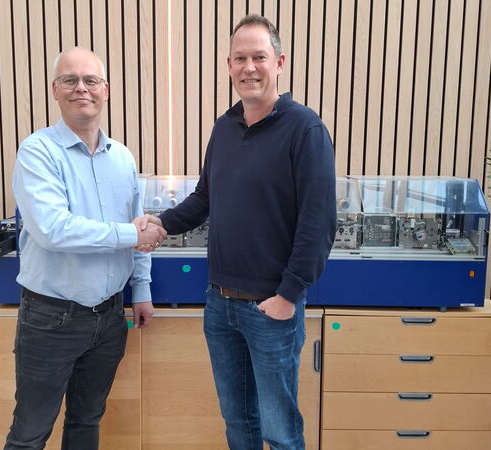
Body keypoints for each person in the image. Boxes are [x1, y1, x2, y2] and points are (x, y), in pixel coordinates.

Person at [144, 14, 336, 450]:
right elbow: (205, 197)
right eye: (240, 58)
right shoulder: (224, 127)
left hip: (271, 308)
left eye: (259, 57)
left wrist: (288, 296)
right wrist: (161, 223)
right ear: (229, 65)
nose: (249, 67)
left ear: (279, 63)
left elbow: (319, 224)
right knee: (238, 422)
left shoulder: (305, 129)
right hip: (219, 305)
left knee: (279, 432)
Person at [4, 47, 166, 450]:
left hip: (110, 317)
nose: (82, 88)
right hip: (50, 319)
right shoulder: (37, 151)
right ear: (55, 90)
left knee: (86, 422)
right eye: (70, 80)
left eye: (91, 80)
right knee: (30, 433)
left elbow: (137, 226)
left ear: (105, 90)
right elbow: (54, 230)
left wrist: (141, 290)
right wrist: (131, 235)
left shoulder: (123, 158)